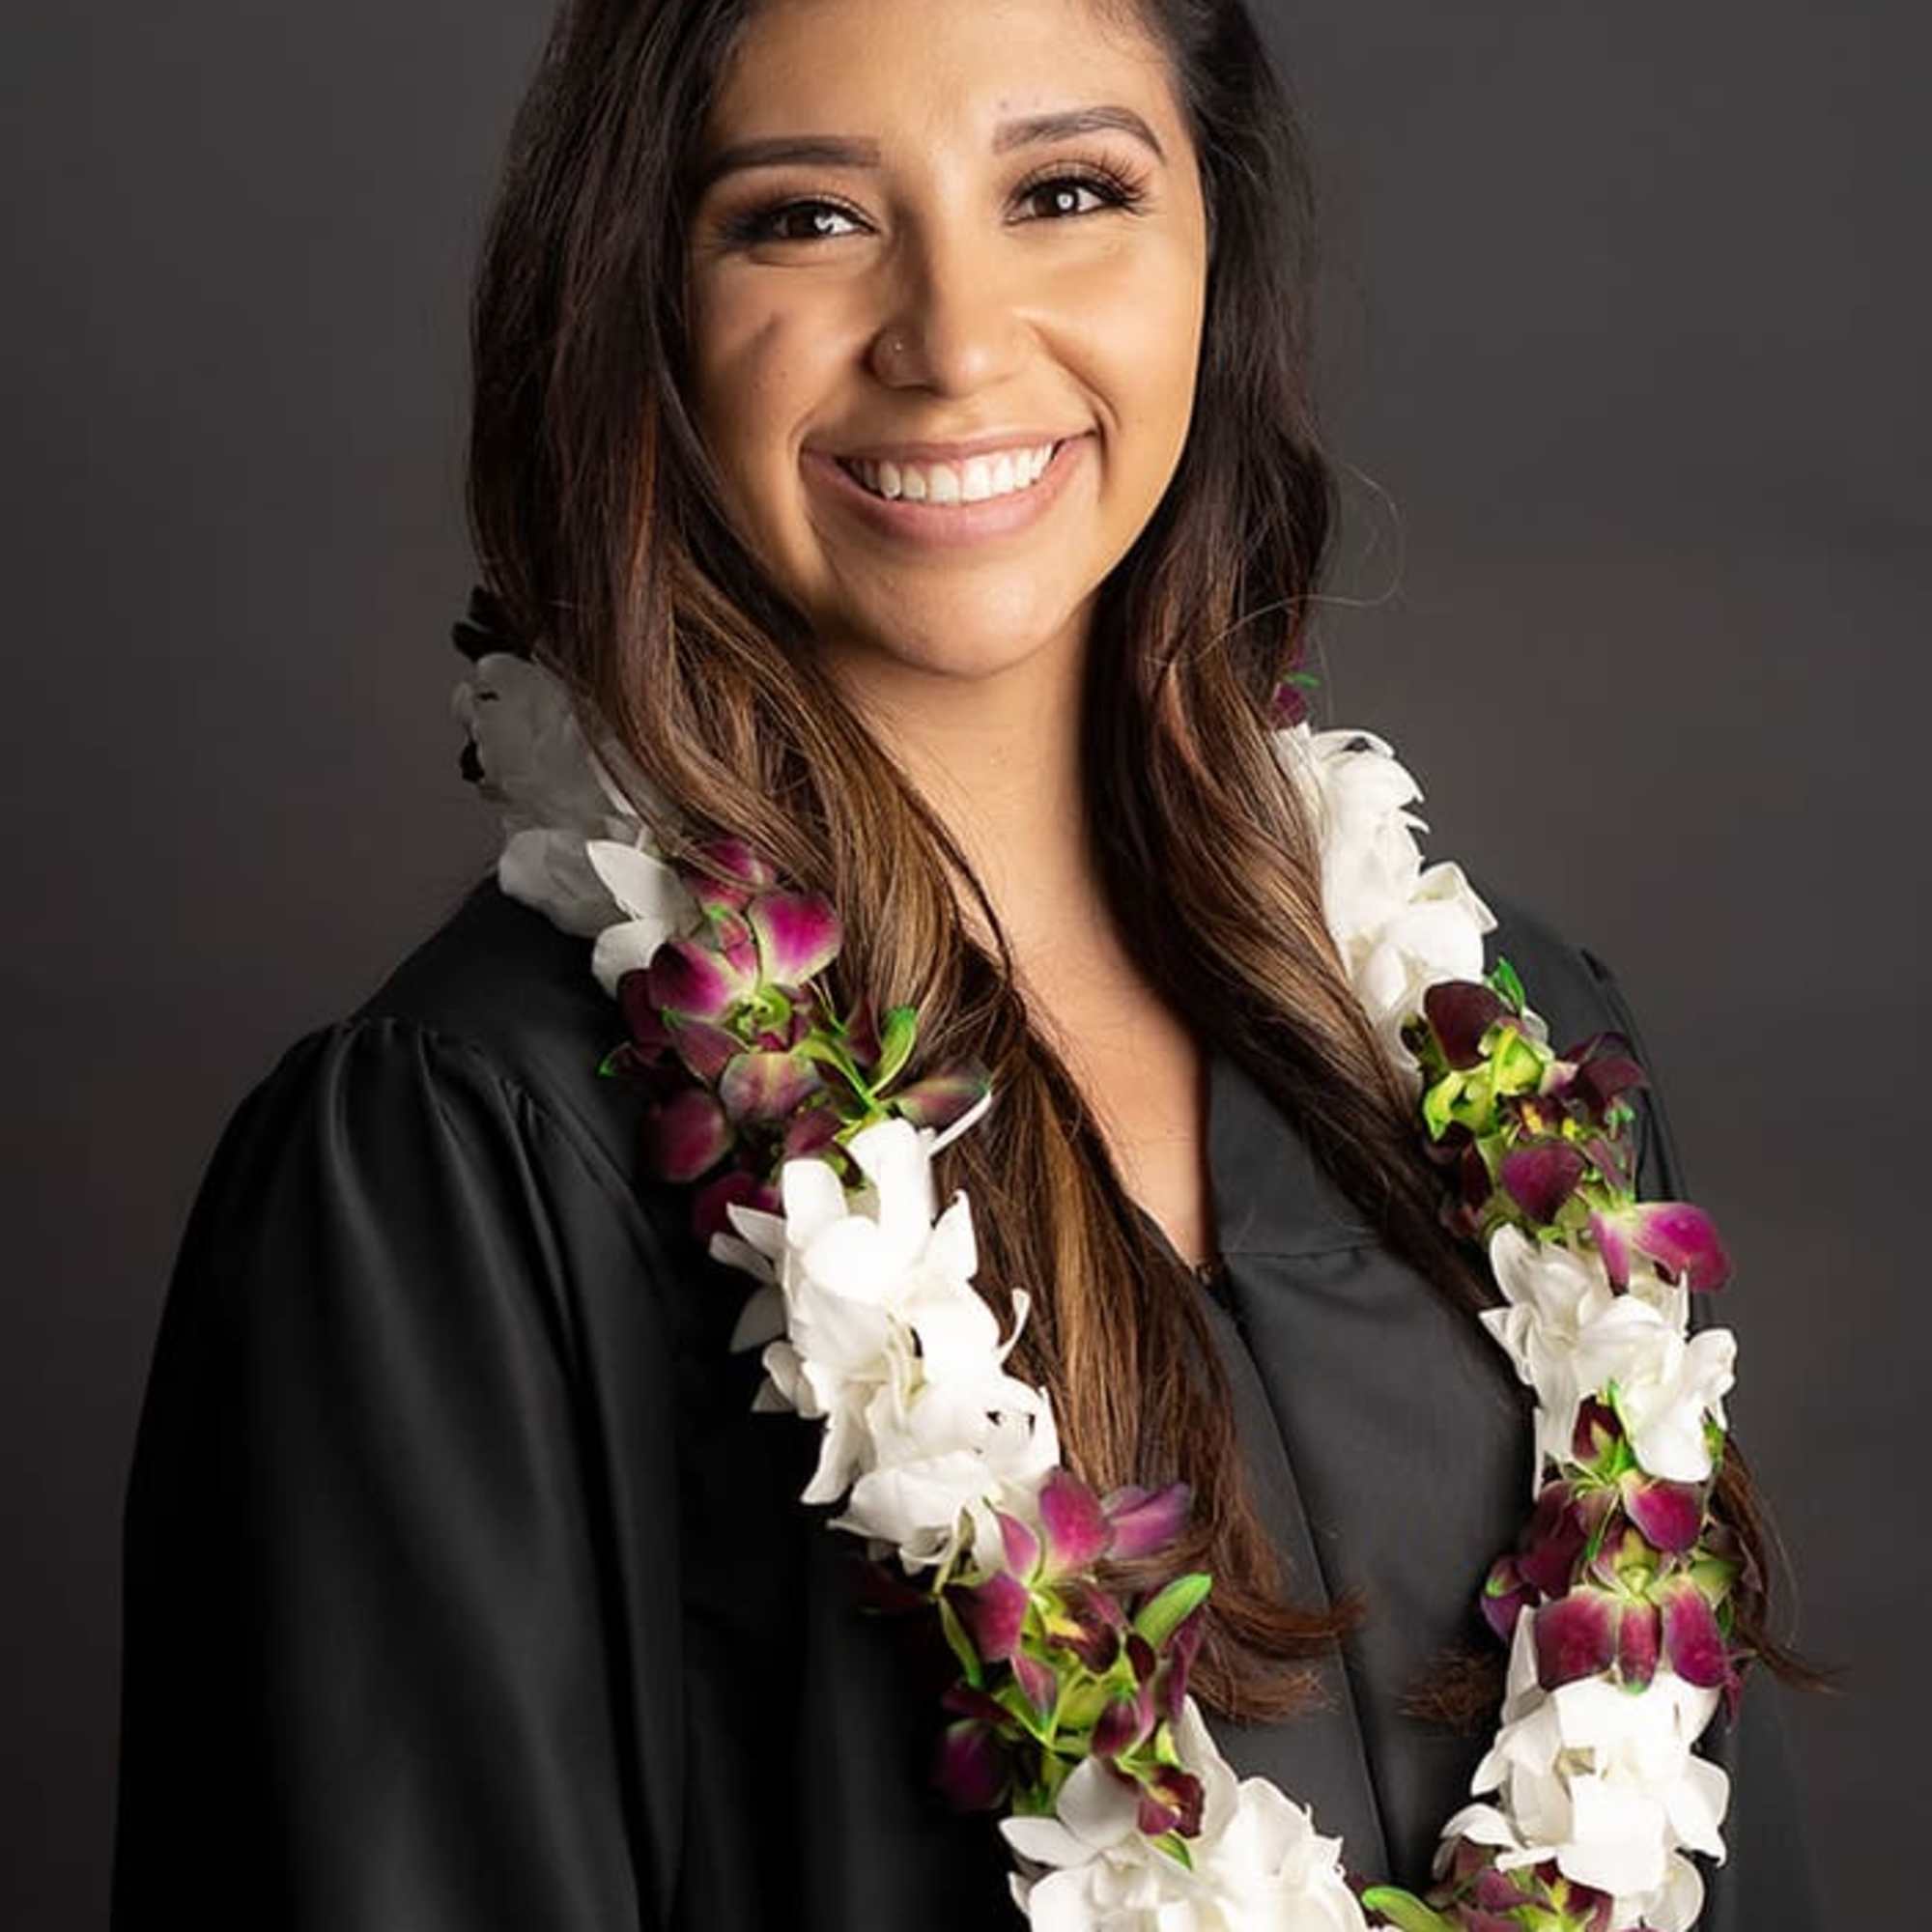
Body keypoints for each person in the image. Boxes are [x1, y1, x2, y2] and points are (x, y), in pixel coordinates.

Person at [110, 2, 1822, 1926]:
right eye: (805, 220)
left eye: (1064, 191)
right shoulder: (469, 1164)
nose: (952, 342)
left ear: (1210, 257)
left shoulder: (1501, 1054)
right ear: (638, 301)